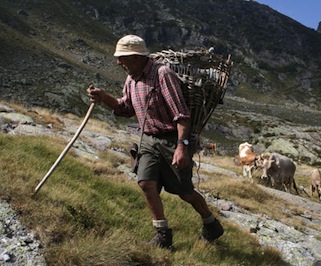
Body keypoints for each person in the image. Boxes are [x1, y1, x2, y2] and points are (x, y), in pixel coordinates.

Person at [87, 35, 223, 249]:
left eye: (122, 58)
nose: (118, 62)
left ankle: (211, 223)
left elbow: (182, 115)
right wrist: (104, 98)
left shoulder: (162, 74)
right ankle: (163, 236)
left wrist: (182, 147)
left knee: (185, 192)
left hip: (172, 140)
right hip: (148, 140)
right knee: (146, 183)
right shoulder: (131, 79)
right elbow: (126, 109)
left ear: (136, 56)